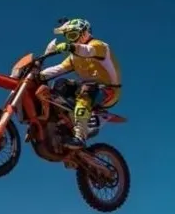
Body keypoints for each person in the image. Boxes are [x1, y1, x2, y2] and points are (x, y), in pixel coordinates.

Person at [39, 17, 122, 149]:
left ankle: (80, 136)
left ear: (84, 33)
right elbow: (60, 68)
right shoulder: (74, 57)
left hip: (109, 91)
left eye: (73, 35)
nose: (71, 39)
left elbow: (88, 51)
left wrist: (70, 46)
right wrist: (38, 74)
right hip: (88, 88)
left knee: (87, 90)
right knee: (60, 84)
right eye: (68, 37)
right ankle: (66, 121)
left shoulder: (100, 46)